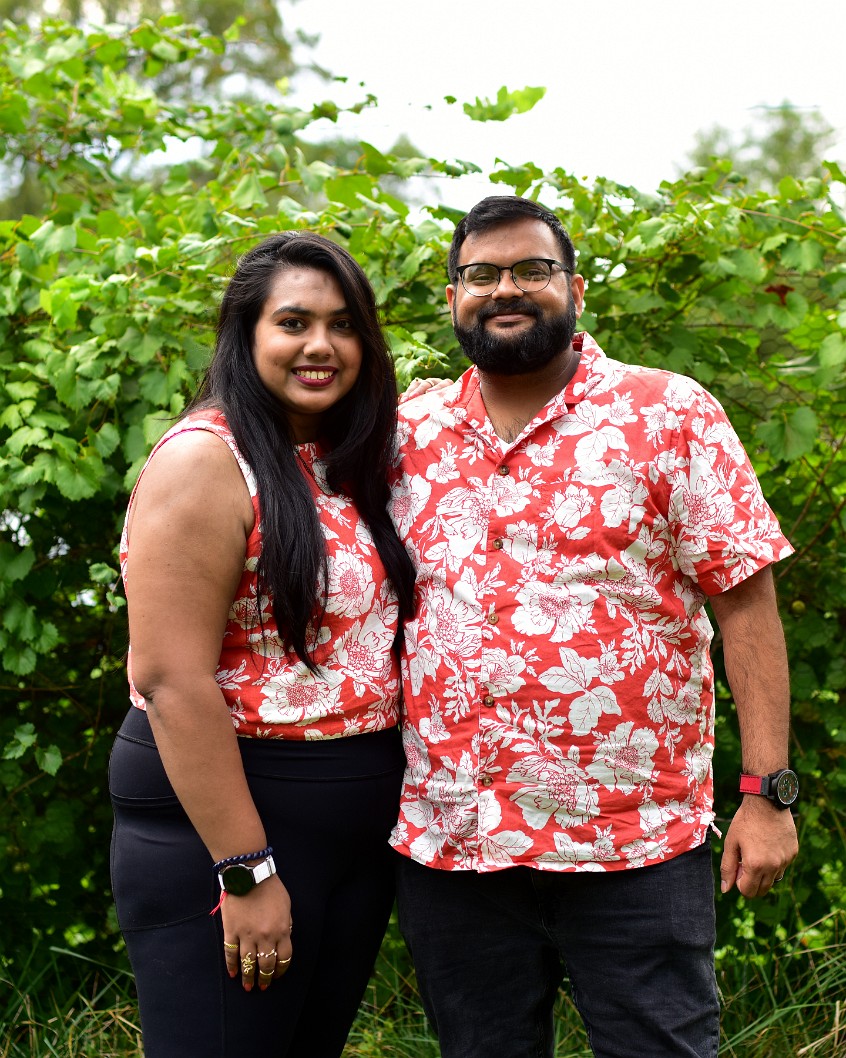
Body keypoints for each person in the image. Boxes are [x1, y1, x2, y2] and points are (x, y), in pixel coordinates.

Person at [389, 196, 799, 1058]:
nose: (507, 289)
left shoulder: (668, 413)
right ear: (453, 297)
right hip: (455, 844)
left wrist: (768, 795)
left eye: (532, 271)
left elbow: (746, 608)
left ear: (574, 289)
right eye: (481, 274)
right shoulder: (407, 431)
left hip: (634, 846)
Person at [109, 231, 416, 1058]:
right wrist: (245, 869)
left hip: (349, 833)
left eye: (344, 324)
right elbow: (170, 679)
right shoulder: (207, 462)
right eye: (294, 323)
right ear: (246, 337)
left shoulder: (338, 459)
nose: (321, 345)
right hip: (230, 825)